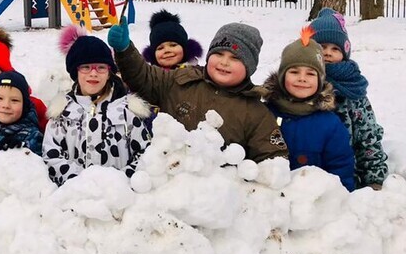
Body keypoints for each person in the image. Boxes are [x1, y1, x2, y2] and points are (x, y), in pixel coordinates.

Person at [108, 18, 287, 162]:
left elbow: (271, 160)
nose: (224, 62)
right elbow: (144, 76)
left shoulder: (255, 112)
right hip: (168, 185)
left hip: (215, 199)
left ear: (249, 67)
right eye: (218, 54)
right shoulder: (180, 81)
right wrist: (125, 50)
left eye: (234, 58)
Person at [43, 28, 152, 185]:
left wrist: (120, 182)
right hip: (73, 197)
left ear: (109, 73)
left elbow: (144, 153)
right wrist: (78, 184)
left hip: (119, 197)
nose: (93, 73)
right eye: (86, 67)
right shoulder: (63, 112)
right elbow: (51, 153)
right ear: (76, 72)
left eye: (101, 67)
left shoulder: (127, 110)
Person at [262, 28, 356, 191]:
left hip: (312, 203)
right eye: (294, 72)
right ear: (282, 76)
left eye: (311, 73)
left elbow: (341, 165)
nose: (302, 78)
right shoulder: (265, 113)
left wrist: (342, 199)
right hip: (271, 200)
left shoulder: (330, 123)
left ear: (320, 80)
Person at [309, 8, 389, 188]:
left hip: (346, 175)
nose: (328, 53)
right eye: (321, 47)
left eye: (335, 48)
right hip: (305, 176)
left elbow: (368, 137)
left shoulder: (352, 90)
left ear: (345, 53)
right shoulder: (301, 83)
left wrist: (374, 178)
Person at [0, 71, 43, 154]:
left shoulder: (32, 136)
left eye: (14, 100)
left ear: (25, 106)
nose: (6, 105)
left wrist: (20, 152)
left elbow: (35, 164)